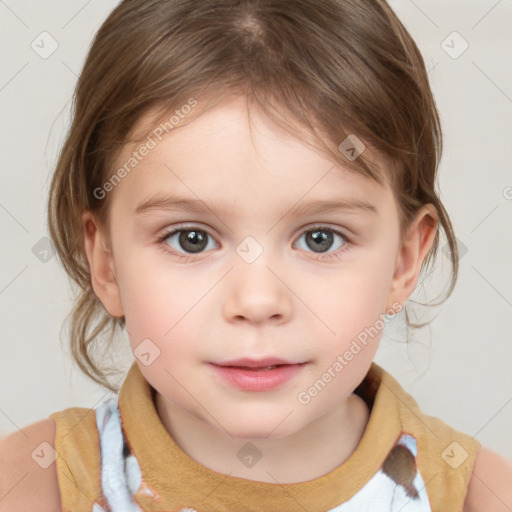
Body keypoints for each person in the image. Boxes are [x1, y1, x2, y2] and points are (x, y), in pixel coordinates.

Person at [1, 0, 511, 510]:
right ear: (106, 263)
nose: (258, 300)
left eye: (320, 239)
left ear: (403, 263)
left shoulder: (478, 497)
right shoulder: (32, 484)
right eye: (191, 239)